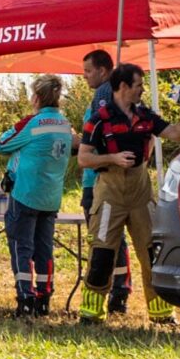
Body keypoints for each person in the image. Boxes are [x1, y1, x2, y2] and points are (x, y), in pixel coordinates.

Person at [78, 65, 180, 326]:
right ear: (123, 87)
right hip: (109, 194)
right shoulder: (99, 119)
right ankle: (91, 314)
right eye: (138, 85)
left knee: (152, 253)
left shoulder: (146, 116)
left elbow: (177, 134)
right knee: (102, 254)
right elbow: (83, 159)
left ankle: (162, 314)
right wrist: (113, 158)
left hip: (141, 193)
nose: (142, 89)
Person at [0, 73, 77, 315]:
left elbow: (0, 146)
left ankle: (25, 298)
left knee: (22, 248)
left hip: (26, 194)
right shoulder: (64, 124)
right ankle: (44, 297)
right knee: (44, 250)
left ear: (36, 98)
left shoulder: (32, 123)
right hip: (51, 196)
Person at [79, 48, 133, 315]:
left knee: (106, 240)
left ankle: (115, 292)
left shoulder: (104, 95)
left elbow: (100, 139)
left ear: (102, 70)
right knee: (111, 239)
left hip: (100, 180)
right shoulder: (114, 97)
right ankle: (119, 290)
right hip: (103, 179)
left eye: (88, 71)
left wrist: (84, 146)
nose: (85, 76)